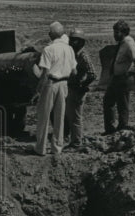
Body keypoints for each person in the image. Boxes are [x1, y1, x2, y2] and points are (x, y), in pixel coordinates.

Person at [33, 21, 76, 157]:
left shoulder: (49, 49)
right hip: (64, 84)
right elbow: (74, 71)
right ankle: (57, 147)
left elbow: (45, 73)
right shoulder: (69, 49)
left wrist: (38, 90)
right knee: (60, 116)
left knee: (44, 116)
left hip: (51, 83)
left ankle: (40, 148)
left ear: (51, 34)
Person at [103, 19, 135, 136]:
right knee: (108, 101)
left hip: (124, 79)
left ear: (124, 32)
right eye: (114, 32)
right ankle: (110, 129)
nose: (114, 35)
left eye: (117, 32)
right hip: (116, 78)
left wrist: (129, 73)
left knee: (122, 104)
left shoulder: (129, 43)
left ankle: (122, 127)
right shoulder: (122, 43)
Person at [64, 28, 96, 148]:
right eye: (71, 40)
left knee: (76, 117)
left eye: (76, 41)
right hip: (73, 88)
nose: (73, 43)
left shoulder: (83, 55)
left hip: (78, 89)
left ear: (81, 42)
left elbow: (93, 73)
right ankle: (74, 140)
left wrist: (83, 85)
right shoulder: (75, 54)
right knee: (71, 116)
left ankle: (76, 142)